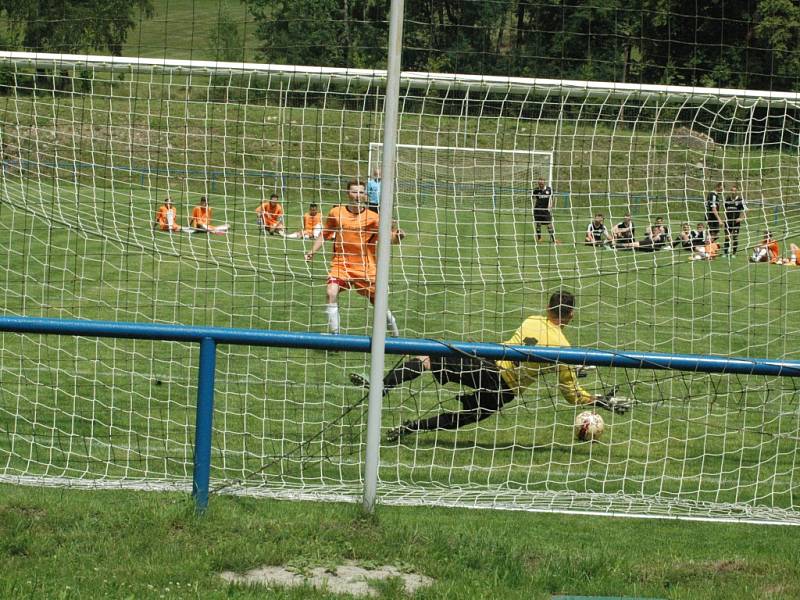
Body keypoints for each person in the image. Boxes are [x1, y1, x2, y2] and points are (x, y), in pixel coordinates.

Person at [353, 291, 629, 441]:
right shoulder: (564, 349)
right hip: (504, 389)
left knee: (427, 359)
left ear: (547, 308)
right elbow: (571, 394)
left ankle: (383, 386)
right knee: (466, 417)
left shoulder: (532, 320)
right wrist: (597, 399)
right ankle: (411, 428)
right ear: (571, 315)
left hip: (489, 364)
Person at [305, 179, 405, 335]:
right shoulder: (336, 213)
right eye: (354, 192)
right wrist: (312, 251)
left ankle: (395, 332)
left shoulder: (374, 217)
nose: (357, 195)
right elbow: (324, 234)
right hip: (341, 263)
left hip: (365, 266)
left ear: (365, 195)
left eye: (361, 192)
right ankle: (335, 336)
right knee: (331, 292)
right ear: (347, 193)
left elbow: (390, 239)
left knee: (378, 303)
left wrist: (398, 236)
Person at [723, 184, 747, 257]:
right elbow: (725, 210)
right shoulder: (727, 199)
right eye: (732, 191)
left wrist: (741, 218)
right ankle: (725, 253)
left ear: (737, 192)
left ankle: (734, 253)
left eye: (734, 191)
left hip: (736, 222)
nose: (733, 192)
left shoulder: (740, 200)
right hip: (728, 221)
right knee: (727, 237)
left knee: (735, 237)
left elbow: (746, 210)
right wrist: (724, 218)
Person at [532, 178, 558, 243]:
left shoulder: (549, 190)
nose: (540, 185)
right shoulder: (536, 190)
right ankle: (539, 238)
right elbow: (533, 198)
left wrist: (552, 205)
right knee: (538, 224)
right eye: (539, 184)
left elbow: (552, 197)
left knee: (549, 224)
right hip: (538, 210)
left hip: (546, 211)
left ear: (544, 183)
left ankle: (553, 239)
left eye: (542, 184)